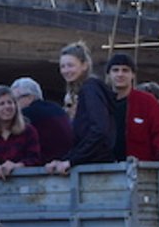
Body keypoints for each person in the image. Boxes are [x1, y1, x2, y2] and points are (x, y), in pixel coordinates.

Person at [47, 41, 114, 173]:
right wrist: (67, 159)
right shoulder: (89, 89)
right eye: (63, 66)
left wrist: (71, 161)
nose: (66, 70)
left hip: (98, 166)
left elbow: (99, 129)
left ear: (84, 65)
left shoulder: (90, 89)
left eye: (70, 65)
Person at [103, 53, 159, 165]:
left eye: (125, 70)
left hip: (140, 171)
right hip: (103, 170)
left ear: (133, 74)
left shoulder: (147, 101)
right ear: (108, 74)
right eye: (115, 70)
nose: (120, 74)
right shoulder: (101, 102)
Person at [0, 85, 41, 179]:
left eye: (10, 102)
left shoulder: (28, 131)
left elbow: (35, 159)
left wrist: (17, 166)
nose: (7, 107)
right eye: (2, 104)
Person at [9, 77, 72, 165]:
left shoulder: (26, 114)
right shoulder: (56, 108)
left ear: (30, 97)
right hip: (65, 163)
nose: (12, 106)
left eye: (15, 100)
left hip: (45, 167)